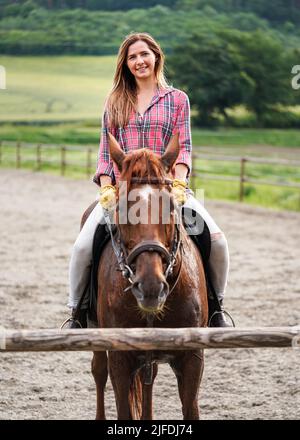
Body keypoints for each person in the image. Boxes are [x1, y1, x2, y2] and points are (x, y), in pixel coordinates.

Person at [65, 32, 233, 328]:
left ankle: (217, 307)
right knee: (82, 248)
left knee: (217, 241)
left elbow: (185, 147)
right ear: (126, 64)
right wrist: (106, 187)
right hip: (125, 193)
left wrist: (179, 183)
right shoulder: (115, 100)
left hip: (167, 189)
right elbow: (106, 152)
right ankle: (78, 313)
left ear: (156, 57)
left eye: (144, 54)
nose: (139, 61)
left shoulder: (178, 99)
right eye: (132, 57)